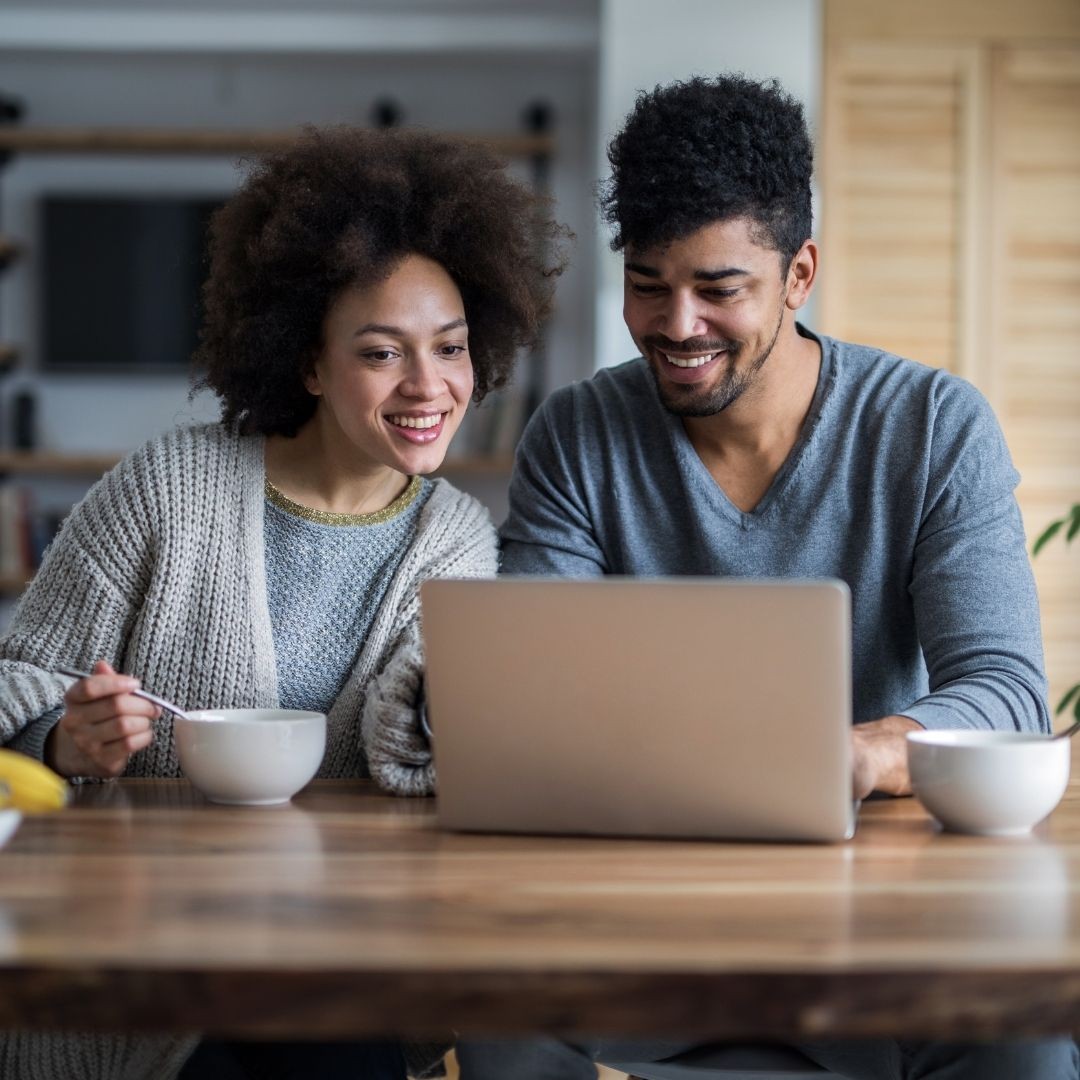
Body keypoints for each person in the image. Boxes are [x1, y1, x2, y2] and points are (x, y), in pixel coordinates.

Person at [456, 76, 1078, 1080]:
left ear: (799, 276)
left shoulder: (933, 428)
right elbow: (537, 700)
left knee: (1031, 1049)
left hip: (886, 911)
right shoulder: (577, 435)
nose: (677, 323)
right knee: (496, 1023)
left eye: (720, 287)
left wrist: (863, 754)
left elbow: (1006, 695)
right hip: (643, 901)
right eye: (647, 283)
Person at [0, 125, 564, 1080]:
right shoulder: (167, 490)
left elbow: (413, 757)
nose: (430, 387)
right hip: (157, 951)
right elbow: (20, 680)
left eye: (453, 349)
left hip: (345, 957)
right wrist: (65, 735)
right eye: (382, 353)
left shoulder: (461, 537)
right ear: (307, 361)